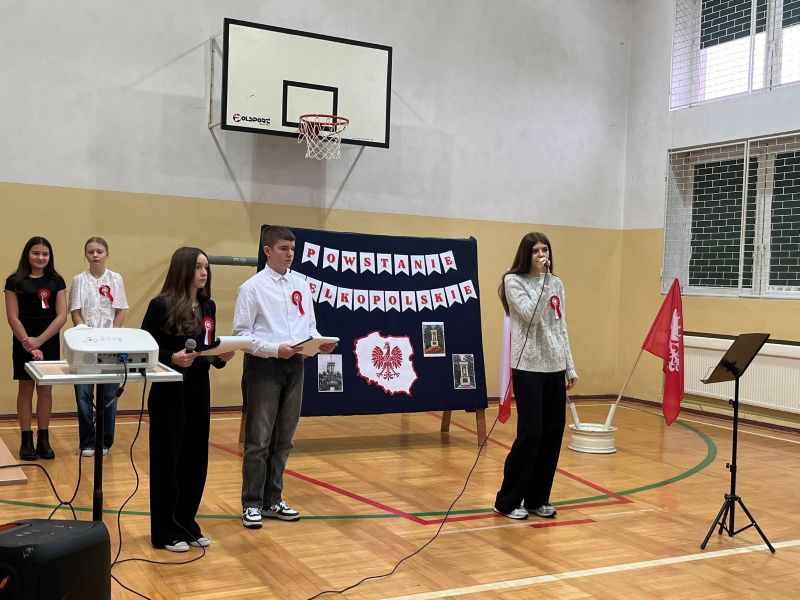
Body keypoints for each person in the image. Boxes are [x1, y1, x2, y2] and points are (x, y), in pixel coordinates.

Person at [233, 226, 336, 530]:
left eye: (292, 249)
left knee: (284, 438)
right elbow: (242, 335)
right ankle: (252, 503)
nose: (290, 254)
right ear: (267, 251)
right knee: (259, 440)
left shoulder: (301, 284)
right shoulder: (252, 287)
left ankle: (273, 499)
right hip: (264, 366)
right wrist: (274, 349)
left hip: (296, 364)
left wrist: (319, 342)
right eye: (283, 248)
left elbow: (309, 326)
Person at [141, 247, 234, 552]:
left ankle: (186, 523)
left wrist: (219, 356)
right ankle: (164, 530)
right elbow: (146, 349)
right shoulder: (160, 305)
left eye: (206, 267)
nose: (204, 272)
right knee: (168, 459)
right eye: (198, 267)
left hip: (198, 388)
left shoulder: (208, 306)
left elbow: (206, 349)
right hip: (169, 389)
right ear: (183, 269)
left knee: (195, 458)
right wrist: (172, 357)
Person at [493, 232, 577, 520]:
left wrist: (569, 365)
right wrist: (542, 281)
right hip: (528, 366)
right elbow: (531, 316)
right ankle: (507, 501)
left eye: (545, 250)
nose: (542, 255)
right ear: (526, 254)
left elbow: (560, 326)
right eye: (536, 251)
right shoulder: (513, 281)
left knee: (552, 434)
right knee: (531, 434)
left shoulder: (557, 283)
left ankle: (537, 499)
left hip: (555, 367)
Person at [4, 236, 67, 460]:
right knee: (26, 388)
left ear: (50, 257)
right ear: (27, 255)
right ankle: (26, 440)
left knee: (45, 390)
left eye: (45, 254)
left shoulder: (56, 281)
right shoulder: (14, 281)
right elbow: (12, 317)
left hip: (47, 340)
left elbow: (61, 316)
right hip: (24, 340)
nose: (40, 257)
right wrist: (28, 343)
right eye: (36, 253)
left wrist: (39, 341)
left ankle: (43, 438)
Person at [69, 237, 129, 457]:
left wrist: (111, 336)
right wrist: (85, 336)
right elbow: (75, 311)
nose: (95, 255)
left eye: (99, 251)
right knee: (84, 395)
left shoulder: (115, 278)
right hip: (85, 345)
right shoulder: (78, 280)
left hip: (111, 343)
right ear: (85, 254)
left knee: (109, 395)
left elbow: (121, 309)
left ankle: (105, 441)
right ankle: (87, 441)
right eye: (91, 251)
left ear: (106, 254)